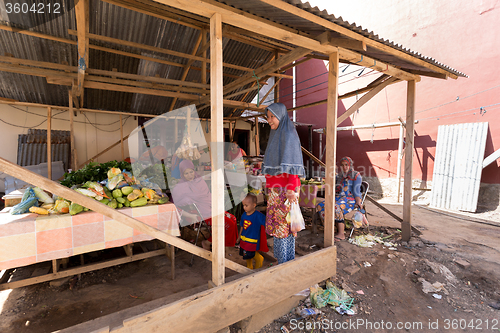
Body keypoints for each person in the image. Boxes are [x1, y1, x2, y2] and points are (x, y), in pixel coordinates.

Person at [262, 103, 304, 264]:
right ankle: (285, 260)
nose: (269, 120)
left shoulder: (289, 134)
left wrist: (291, 189)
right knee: (282, 227)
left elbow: (292, 164)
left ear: (281, 116)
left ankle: (284, 262)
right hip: (277, 190)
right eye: (268, 116)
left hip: (286, 190)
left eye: (272, 116)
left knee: (283, 227)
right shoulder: (277, 135)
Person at [170, 160, 237, 249]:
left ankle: (219, 242)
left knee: (233, 218)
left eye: (191, 172)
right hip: (199, 215)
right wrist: (189, 214)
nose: (190, 175)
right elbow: (174, 206)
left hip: (210, 209)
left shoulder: (199, 180)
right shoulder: (180, 187)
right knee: (230, 224)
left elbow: (208, 197)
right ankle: (208, 242)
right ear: (182, 174)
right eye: (186, 173)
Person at [316, 156, 367, 240]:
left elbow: (357, 191)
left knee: (336, 207)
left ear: (350, 165)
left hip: (351, 199)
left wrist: (359, 202)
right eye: (342, 165)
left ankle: (341, 234)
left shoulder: (356, 176)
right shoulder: (340, 176)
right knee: (321, 205)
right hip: (339, 198)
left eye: (346, 165)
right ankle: (330, 230)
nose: (344, 167)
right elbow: (332, 183)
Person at [237, 194, 268, 269]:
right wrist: (239, 237)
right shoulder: (244, 214)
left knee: (252, 254)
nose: (244, 207)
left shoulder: (258, 216)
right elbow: (242, 226)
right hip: (244, 240)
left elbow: (267, 223)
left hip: (252, 241)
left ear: (254, 205)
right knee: (246, 255)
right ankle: (249, 267)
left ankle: (258, 266)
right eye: (243, 205)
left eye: (246, 205)